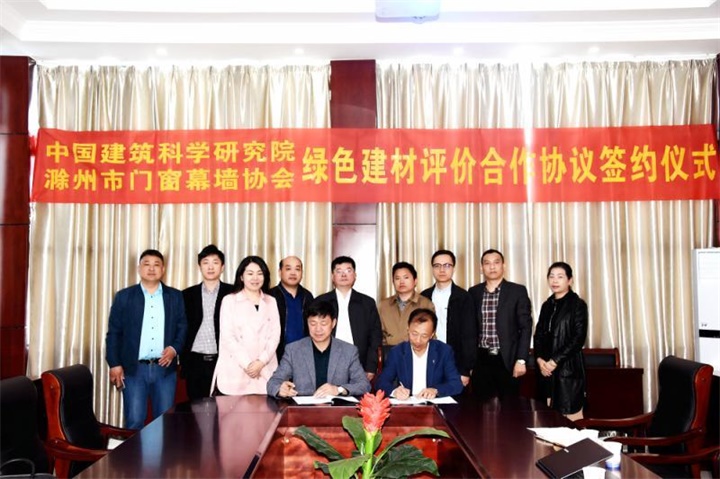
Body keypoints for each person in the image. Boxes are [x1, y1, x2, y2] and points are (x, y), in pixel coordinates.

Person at [105, 249, 188, 430]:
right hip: (134, 370)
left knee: (164, 423)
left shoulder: (175, 296)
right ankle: (134, 451)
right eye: (147, 264)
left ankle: (161, 451)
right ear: (139, 268)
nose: (151, 268)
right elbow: (114, 333)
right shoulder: (124, 296)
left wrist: (174, 349)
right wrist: (114, 363)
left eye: (156, 265)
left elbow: (182, 327)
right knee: (135, 420)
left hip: (164, 370)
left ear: (163, 269)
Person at [267, 299, 371, 398]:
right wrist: (280, 389)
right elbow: (272, 383)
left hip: (336, 409)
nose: (318, 329)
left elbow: (364, 385)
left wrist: (338, 389)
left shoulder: (348, 351)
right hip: (303, 409)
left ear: (333, 323)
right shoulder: (293, 350)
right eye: (313, 323)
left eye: (323, 323)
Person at [210, 256, 280, 395]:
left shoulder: (271, 301)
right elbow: (228, 337)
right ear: (241, 276)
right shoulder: (229, 301)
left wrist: (261, 362)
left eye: (260, 273)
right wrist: (248, 365)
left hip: (264, 370)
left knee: (265, 408)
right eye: (250, 273)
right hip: (235, 372)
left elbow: (275, 335)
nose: (255, 278)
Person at [468, 249, 532, 400]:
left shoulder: (517, 291)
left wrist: (521, 359)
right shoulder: (474, 292)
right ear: (481, 268)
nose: (492, 267)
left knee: (510, 406)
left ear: (504, 265)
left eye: (496, 263)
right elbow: (469, 329)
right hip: (481, 358)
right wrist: (469, 363)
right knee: (480, 406)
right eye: (487, 263)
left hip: (507, 358)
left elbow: (525, 327)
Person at [533, 262, 588, 421]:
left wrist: (554, 361)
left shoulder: (578, 305)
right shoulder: (547, 305)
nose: (555, 280)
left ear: (570, 280)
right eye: (551, 276)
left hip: (567, 371)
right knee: (547, 422)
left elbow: (578, 339)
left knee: (571, 423)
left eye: (560, 277)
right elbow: (538, 335)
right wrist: (540, 360)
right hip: (546, 371)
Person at [315, 256, 383, 380]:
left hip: (359, 363)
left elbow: (375, 336)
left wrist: (371, 366)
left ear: (355, 275)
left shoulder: (367, 303)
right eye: (339, 271)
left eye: (348, 270)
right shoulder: (321, 301)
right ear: (332, 276)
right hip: (326, 362)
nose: (343, 275)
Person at [181, 244, 234, 401]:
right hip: (195, 361)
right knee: (196, 408)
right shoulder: (187, 295)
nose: (210, 267)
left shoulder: (233, 293)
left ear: (222, 267)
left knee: (223, 408)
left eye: (215, 262)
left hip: (224, 360)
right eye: (206, 262)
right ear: (200, 266)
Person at [375, 308, 463, 399]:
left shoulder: (444, 351)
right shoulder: (397, 352)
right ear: (408, 329)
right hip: (407, 403)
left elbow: (456, 384)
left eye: (424, 336)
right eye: (414, 334)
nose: (418, 340)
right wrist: (395, 391)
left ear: (432, 334)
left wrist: (436, 390)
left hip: (433, 403)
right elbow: (381, 382)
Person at [420, 249, 477, 387]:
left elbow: (469, 335)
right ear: (432, 268)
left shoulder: (464, 297)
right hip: (427, 357)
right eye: (437, 266)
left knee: (454, 398)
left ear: (453, 268)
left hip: (454, 360)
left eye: (447, 265)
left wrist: (465, 370)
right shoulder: (424, 296)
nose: (442, 270)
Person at [379, 261, 435, 361]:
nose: (401, 282)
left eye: (406, 277)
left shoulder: (426, 304)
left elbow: (430, 334)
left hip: (418, 357)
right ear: (393, 282)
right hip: (390, 357)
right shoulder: (383, 305)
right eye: (397, 278)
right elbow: (377, 335)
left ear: (415, 281)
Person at [268, 256, 314, 362]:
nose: (293, 273)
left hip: (304, 356)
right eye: (288, 269)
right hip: (276, 356)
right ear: (280, 272)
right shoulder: (270, 296)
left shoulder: (308, 296)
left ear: (302, 273)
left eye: (297, 269)